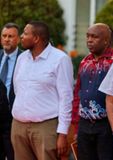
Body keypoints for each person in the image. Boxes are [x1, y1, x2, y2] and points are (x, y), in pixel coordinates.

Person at [11, 21, 74, 160]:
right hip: (18, 126)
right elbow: (17, 90)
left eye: (25, 33)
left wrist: (62, 134)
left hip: (46, 127)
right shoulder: (22, 58)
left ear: (36, 38)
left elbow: (66, 98)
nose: (21, 36)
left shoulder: (60, 59)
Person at [71, 23, 113, 160]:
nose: (89, 40)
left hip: (106, 124)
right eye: (88, 36)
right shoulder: (85, 61)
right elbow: (78, 93)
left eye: (94, 37)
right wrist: (76, 126)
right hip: (84, 124)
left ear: (106, 40)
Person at [0, 22, 22, 160]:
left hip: (14, 116)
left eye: (11, 36)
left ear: (18, 39)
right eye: (4, 36)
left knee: (14, 154)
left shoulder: (25, 58)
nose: (7, 39)